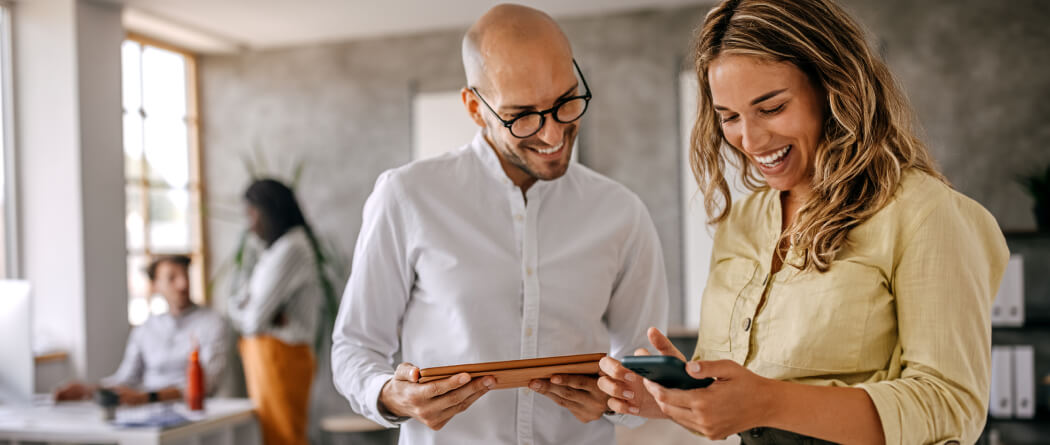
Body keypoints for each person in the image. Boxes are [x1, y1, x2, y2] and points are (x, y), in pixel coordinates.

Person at [597, 0, 1010, 443]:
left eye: (771, 107)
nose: (750, 140)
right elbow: (738, 396)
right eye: (729, 117)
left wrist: (768, 401)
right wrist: (662, 397)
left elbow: (950, 405)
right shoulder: (744, 221)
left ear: (834, 87)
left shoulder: (926, 213)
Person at [331, 4, 669, 444]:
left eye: (566, 102)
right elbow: (355, 348)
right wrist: (392, 396)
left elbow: (646, 368)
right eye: (523, 115)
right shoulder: (407, 196)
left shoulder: (621, 213)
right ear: (475, 108)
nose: (552, 135)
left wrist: (617, 399)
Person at [227, 178, 325, 445]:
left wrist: (253, 312)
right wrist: (258, 313)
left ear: (269, 210)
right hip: (269, 356)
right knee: (274, 436)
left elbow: (252, 321)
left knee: (286, 438)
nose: (250, 223)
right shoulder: (275, 251)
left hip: (282, 356)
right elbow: (237, 304)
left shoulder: (291, 248)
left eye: (252, 213)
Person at [54, 255, 229, 405]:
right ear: (155, 285)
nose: (182, 284)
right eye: (172, 278)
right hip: (147, 408)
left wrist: (147, 397)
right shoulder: (146, 329)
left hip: (191, 409)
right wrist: (88, 390)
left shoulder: (212, 323)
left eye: (185, 276)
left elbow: (206, 385)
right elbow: (125, 379)